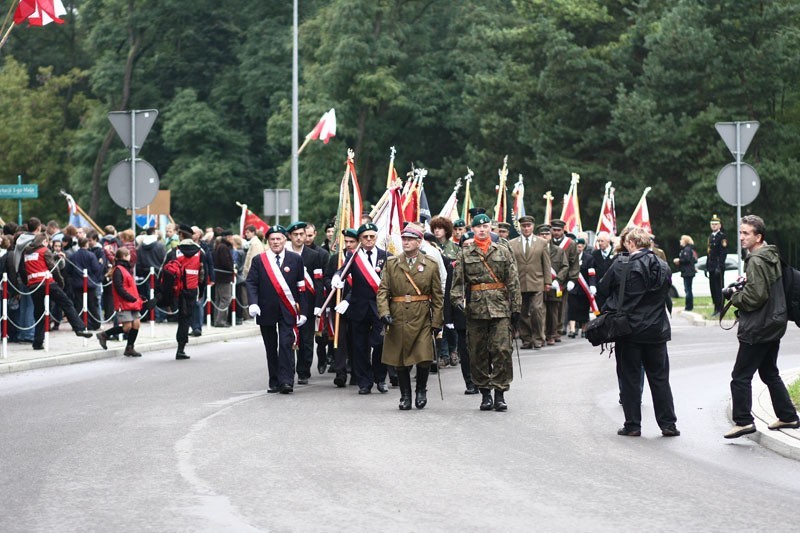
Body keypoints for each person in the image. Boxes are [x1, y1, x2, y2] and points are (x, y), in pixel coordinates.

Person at [596, 226, 679, 437]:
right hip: (656, 330)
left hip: (629, 330)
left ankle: (633, 425)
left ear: (630, 243)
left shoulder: (621, 265)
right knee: (660, 379)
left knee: (630, 379)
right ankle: (668, 424)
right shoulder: (663, 266)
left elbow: (602, 289)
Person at [722, 215, 799, 438]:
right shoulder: (770, 255)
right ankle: (788, 416)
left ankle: (743, 421)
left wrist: (735, 296)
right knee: (768, 372)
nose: (742, 237)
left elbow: (756, 297)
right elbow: (764, 286)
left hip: (760, 325)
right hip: (775, 322)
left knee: (740, 376)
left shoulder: (756, 260)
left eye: (746, 233)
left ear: (758, 236)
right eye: (741, 232)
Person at [451, 212, 521, 411]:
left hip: (500, 307)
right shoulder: (465, 253)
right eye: (478, 227)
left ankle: (499, 393)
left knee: (502, 350)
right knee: (478, 352)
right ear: (472, 230)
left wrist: (516, 307)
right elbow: (457, 283)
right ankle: (485, 393)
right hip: (476, 309)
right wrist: (457, 302)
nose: (482, 229)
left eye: (485, 226)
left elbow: (513, 280)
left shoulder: (503, 250)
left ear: (491, 228)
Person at [377, 225, 443, 410]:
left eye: (410, 239)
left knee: (424, 357)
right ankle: (405, 396)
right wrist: (384, 312)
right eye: (404, 239)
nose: (405, 242)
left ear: (419, 241)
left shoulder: (430, 264)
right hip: (398, 316)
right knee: (400, 359)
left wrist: (437, 321)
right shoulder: (392, 263)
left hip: (421, 316)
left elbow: (437, 296)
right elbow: (383, 291)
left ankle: (421, 390)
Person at [246, 226, 308, 394]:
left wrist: (303, 312)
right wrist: (253, 303)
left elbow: (301, 287)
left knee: (286, 344)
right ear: (268, 241)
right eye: (272, 239)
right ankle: (274, 381)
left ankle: (287, 381)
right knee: (271, 346)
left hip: (288, 310)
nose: (275, 242)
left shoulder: (295, 259)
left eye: (279, 238)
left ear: (284, 240)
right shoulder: (260, 260)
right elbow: (251, 282)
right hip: (266, 309)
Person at [332, 223, 390, 394]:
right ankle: (364, 382)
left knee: (380, 344)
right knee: (359, 346)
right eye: (365, 237)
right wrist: (337, 278)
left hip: (380, 308)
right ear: (360, 239)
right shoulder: (353, 257)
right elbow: (342, 272)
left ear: (376, 237)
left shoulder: (386, 256)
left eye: (372, 236)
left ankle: (380, 378)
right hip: (358, 307)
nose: (369, 239)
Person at [19, 233, 94, 349]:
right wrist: (60, 283)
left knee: (39, 313)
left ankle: (38, 342)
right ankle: (79, 328)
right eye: (48, 242)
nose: (49, 244)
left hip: (33, 286)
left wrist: (28, 284)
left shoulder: (26, 252)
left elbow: (24, 271)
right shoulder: (45, 250)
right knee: (67, 304)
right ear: (44, 242)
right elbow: (53, 268)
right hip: (48, 283)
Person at [286, 221, 325, 383]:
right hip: (289, 302)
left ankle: (304, 371)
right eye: (296, 235)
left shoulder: (313, 255)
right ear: (290, 237)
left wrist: (318, 304)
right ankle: (289, 370)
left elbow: (318, 281)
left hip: (308, 303)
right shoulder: (285, 254)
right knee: (290, 338)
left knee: (307, 340)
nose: (299, 237)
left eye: (302, 234)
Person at [164, 224, 207, 359]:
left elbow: (165, 273)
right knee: (186, 318)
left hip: (177, 290)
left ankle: (180, 347)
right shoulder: (200, 252)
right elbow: (203, 275)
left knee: (181, 318)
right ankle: (181, 348)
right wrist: (201, 292)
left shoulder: (173, 252)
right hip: (192, 289)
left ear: (181, 236)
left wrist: (166, 295)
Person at [508, 215, 550, 349]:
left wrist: (547, 282)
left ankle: (538, 337)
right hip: (519, 282)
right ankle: (526, 338)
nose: (526, 228)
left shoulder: (542, 243)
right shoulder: (512, 244)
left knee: (537, 309)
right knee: (522, 312)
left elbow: (546, 264)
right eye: (524, 226)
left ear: (532, 226)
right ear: (520, 227)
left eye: (529, 226)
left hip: (537, 281)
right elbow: (510, 264)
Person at [96, 248, 143, 357]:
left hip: (132, 301)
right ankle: (104, 335)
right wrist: (130, 297)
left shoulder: (125, 269)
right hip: (124, 302)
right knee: (127, 327)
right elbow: (119, 287)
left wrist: (138, 296)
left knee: (136, 324)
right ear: (125, 256)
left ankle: (130, 347)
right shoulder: (118, 270)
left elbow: (130, 286)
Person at [549, 219, 579, 339]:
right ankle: (550, 330)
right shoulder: (547, 242)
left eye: (559, 230)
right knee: (550, 307)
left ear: (563, 230)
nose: (556, 232)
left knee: (561, 306)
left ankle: (558, 330)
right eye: (554, 230)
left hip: (564, 281)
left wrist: (572, 279)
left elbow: (574, 263)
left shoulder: (570, 244)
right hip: (548, 279)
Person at [539, 224, 568, 345]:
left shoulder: (558, 251)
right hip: (539, 284)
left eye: (547, 234)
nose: (545, 236)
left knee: (553, 312)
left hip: (553, 285)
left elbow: (565, 266)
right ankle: (540, 335)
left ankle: (552, 334)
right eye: (542, 234)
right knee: (538, 312)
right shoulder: (535, 249)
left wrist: (558, 280)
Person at [566, 236, 596, 338]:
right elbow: (567, 269)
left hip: (584, 288)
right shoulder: (571, 257)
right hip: (573, 287)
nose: (578, 248)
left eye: (579, 246)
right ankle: (572, 329)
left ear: (583, 247)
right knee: (572, 308)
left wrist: (592, 285)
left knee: (583, 308)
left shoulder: (589, 258)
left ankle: (584, 329)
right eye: (576, 246)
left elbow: (591, 272)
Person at [212, 230, 234, 327]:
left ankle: (216, 320)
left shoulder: (219, 246)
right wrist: (232, 269)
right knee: (225, 299)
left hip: (219, 276)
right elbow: (226, 262)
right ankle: (220, 321)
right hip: (224, 277)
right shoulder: (224, 247)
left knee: (219, 299)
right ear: (228, 237)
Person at [707, 214, 728, 317]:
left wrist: (719, 266)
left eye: (716, 224)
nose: (714, 226)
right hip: (711, 266)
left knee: (719, 287)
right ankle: (715, 307)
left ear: (719, 225)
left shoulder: (722, 236)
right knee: (712, 288)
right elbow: (709, 253)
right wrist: (707, 267)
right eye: (712, 224)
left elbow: (723, 253)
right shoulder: (711, 236)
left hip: (718, 266)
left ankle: (720, 308)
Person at [590, 231, 615, 309]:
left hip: (612, 289)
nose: (600, 243)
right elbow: (591, 270)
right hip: (599, 289)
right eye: (598, 241)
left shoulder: (615, 253)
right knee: (599, 311)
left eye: (602, 241)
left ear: (608, 241)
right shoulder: (595, 254)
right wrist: (592, 284)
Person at [673, 235, 697, 311]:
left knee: (688, 289)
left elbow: (687, 259)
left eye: (681, 240)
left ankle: (689, 306)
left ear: (685, 241)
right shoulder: (686, 249)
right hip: (686, 272)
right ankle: (689, 306)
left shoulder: (687, 250)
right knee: (687, 289)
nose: (680, 241)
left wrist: (679, 260)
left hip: (688, 272)